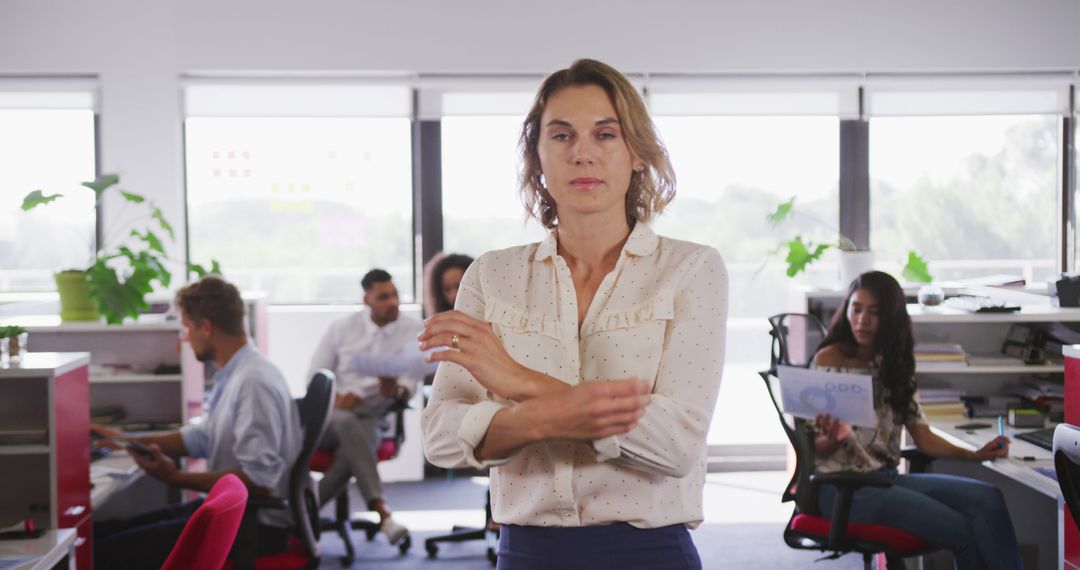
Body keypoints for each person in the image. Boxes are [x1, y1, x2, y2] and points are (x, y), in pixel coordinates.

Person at [420, 59, 727, 569]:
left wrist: (518, 381)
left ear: (635, 153)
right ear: (537, 156)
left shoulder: (691, 269)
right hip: (526, 551)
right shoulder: (490, 276)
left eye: (605, 134)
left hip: (649, 552)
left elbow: (676, 446)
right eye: (561, 136)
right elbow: (441, 437)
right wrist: (551, 415)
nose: (583, 153)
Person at [811, 270, 1022, 570]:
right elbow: (812, 449)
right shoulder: (828, 360)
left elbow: (923, 437)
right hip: (842, 488)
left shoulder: (894, 365)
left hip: (885, 478)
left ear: (891, 317)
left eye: (874, 312)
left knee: (988, 499)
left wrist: (974, 455)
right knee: (961, 530)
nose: (862, 320)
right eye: (856, 308)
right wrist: (833, 438)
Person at [92, 276, 301, 570]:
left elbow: (258, 481)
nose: (185, 337)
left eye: (187, 328)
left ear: (206, 327)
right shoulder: (235, 373)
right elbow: (203, 437)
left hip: (256, 526)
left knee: (101, 554)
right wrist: (128, 440)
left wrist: (175, 479)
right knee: (101, 533)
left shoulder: (253, 383)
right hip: (238, 515)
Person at [308, 268, 418, 545]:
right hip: (334, 417)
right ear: (366, 299)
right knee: (345, 421)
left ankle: (300, 517)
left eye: (394, 295)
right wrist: (334, 398)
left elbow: (410, 383)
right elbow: (315, 376)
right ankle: (383, 512)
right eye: (383, 297)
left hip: (373, 416)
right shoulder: (341, 328)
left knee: (352, 450)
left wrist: (396, 391)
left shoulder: (413, 330)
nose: (392, 302)